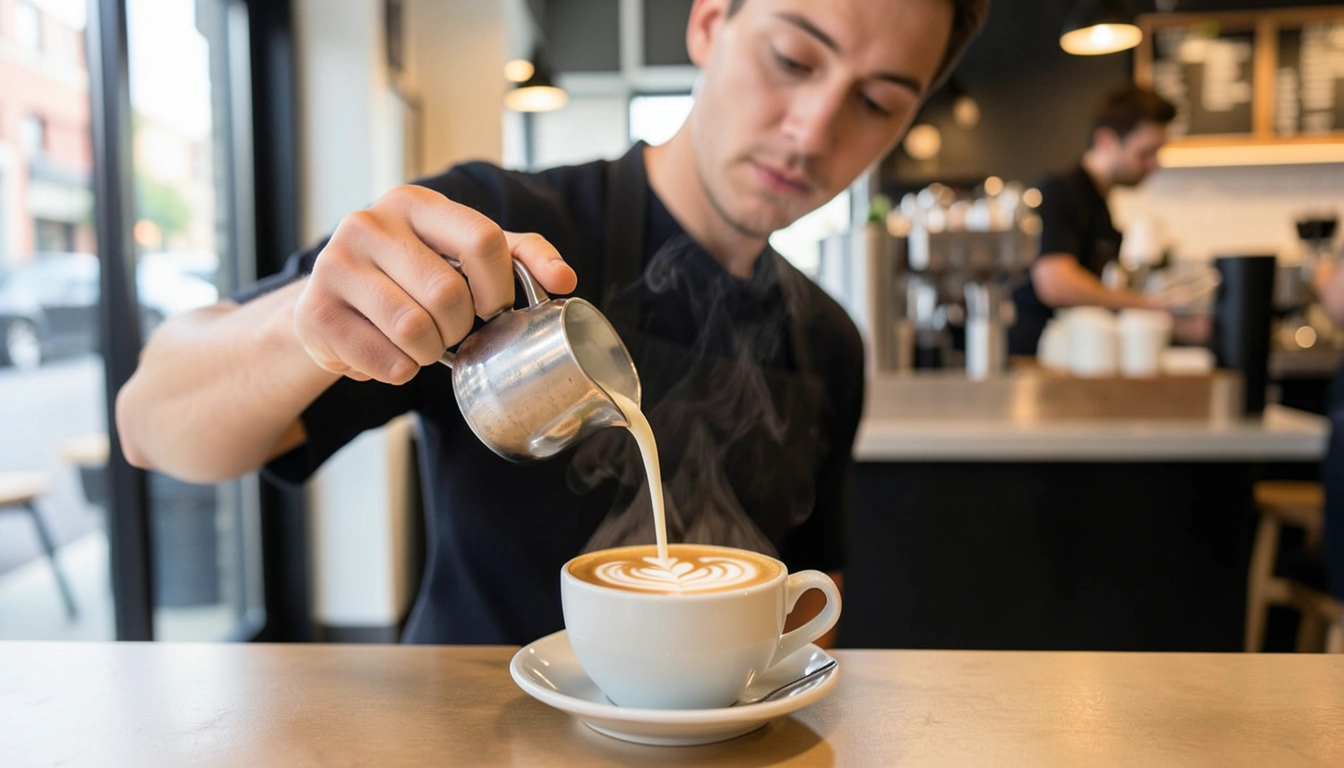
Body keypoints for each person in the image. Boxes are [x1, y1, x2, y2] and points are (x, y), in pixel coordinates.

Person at [115, 0, 989, 645]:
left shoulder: (828, 341)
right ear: (710, 22)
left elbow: (812, 592)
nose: (812, 130)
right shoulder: (498, 236)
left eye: (876, 102)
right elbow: (154, 426)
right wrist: (301, 331)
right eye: (795, 59)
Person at [1008, 83, 1177, 357]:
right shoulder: (1059, 191)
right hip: (1036, 358)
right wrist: (1147, 304)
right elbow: (1056, 283)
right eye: (1145, 152)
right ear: (1106, 141)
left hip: (1073, 356)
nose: (1154, 164)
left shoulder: (1098, 203)